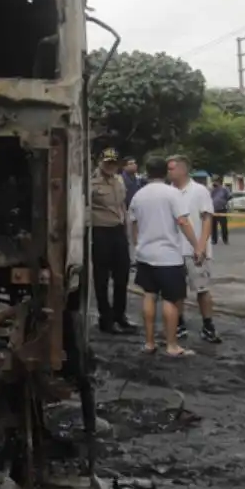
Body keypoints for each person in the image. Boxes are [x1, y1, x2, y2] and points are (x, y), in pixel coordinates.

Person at [127, 157, 200, 357]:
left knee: (149, 295)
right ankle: (171, 345)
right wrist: (196, 246)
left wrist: (138, 245)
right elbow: (183, 222)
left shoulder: (138, 195)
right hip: (168, 256)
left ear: (147, 172)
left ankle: (149, 343)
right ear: (165, 172)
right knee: (171, 299)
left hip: (145, 254)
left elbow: (134, 225)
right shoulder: (172, 194)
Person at [167, 156, 219, 343]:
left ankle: (208, 325)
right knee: (176, 291)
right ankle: (179, 324)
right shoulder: (168, 192)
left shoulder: (199, 191)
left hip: (196, 250)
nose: (169, 172)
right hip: (174, 250)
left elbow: (207, 218)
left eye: (172, 168)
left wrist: (202, 245)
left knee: (202, 289)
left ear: (183, 169)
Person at [89, 148, 131, 335]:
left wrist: (127, 230)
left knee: (122, 277)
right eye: (107, 162)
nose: (110, 166)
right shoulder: (91, 182)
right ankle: (105, 319)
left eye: (113, 163)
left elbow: (122, 205)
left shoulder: (119, 180)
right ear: (100, 161)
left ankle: (119, 315)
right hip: (100, 231)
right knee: (102, 279)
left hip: (118, 231)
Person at [209, 178, 232, 245]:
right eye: (214, 182)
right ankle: (214, 240)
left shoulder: (224, 189)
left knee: (223, 226)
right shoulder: (212, 190)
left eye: (215, 182)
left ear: (219, 182)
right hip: (213, 210)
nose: (214, 183)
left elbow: (229, 196)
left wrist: (224, 201)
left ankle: (225, 240)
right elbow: (209, 197)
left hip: (222, 210)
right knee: (213, 226)